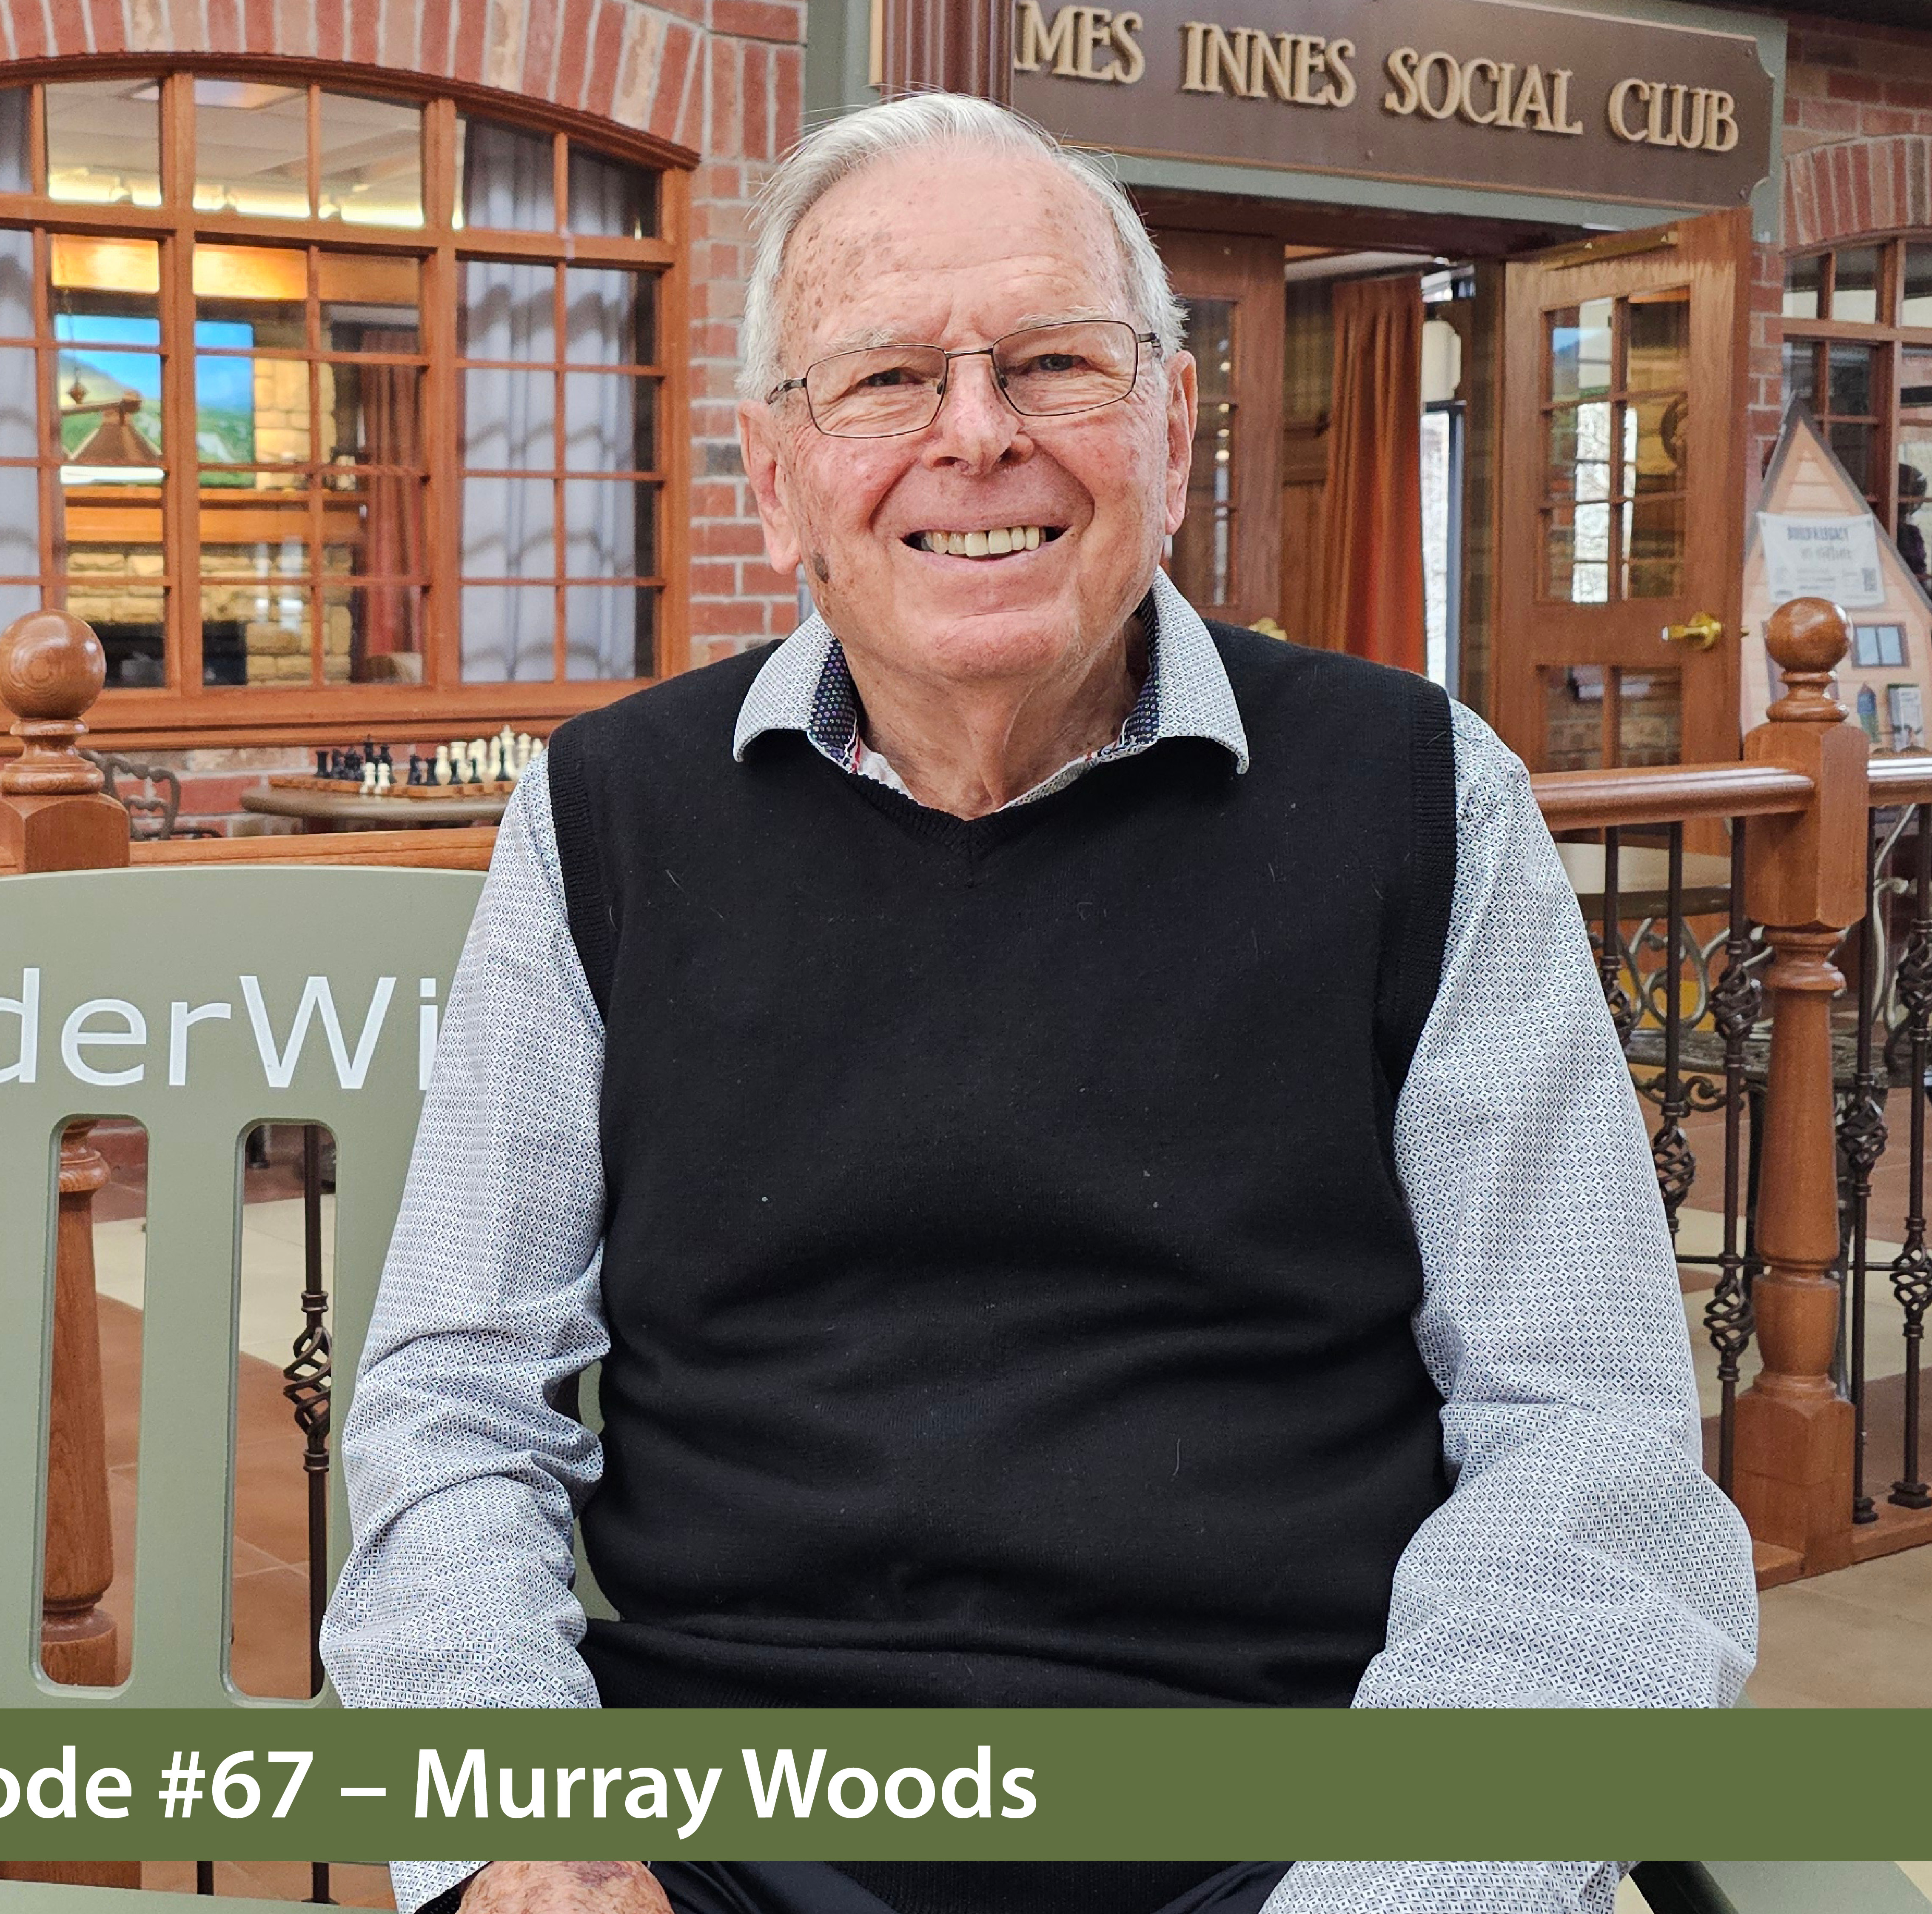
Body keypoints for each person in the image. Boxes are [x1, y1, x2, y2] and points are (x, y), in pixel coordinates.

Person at [319, 92, 1756, 1914]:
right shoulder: (610, 812)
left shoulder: (1415, 794)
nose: (975, 436)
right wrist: (522, 1832)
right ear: (774, 479)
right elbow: (454, 1403)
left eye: (1052, 364)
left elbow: (1586, 1441)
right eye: (884, 379)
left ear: (1165, 430)